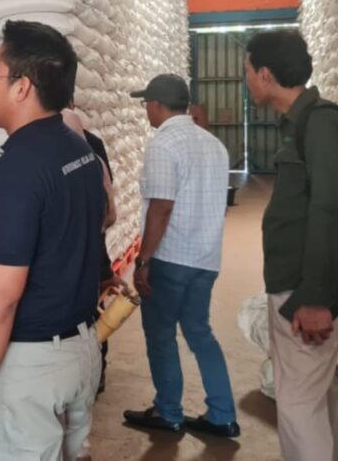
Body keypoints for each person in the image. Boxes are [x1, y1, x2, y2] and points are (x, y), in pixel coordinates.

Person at [0, 21, 105, 461]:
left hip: (31, 368)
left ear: (21, 87)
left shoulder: (15, 174)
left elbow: (1, 298)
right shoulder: (79, 152)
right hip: (80, 350)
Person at [244, 31, 338, 461]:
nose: (246, 81)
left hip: (305, 293)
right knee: (315, 397)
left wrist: (313, 298)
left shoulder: (321, 124)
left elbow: (329, 212)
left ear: (265, 74)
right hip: (298, 286)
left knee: (297, 405)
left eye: (247, 72)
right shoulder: (303, 124)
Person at [123, 74, 239, 439]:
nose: (146, 109)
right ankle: (222, 414)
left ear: (157, 104)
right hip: (205, 258)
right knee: (200, 333)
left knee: (160, 334)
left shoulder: (163, 144)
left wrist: (144, 260)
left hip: (171, 258)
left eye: (147, 103)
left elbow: (162, 207)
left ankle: (168, 412)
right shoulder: (213, 144)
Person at [62, 108, 124, 396]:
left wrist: (104, 269)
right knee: (88, 317)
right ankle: (92, 375)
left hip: (81, 258)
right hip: (86, 256)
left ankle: (94, 373)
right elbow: (106, 213)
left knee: (88, 320)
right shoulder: (92, 150)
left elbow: (100, 214)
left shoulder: (85, 152)